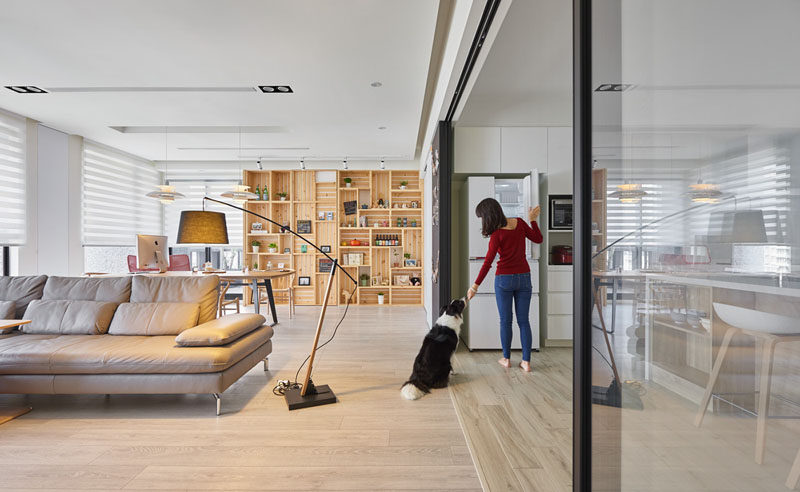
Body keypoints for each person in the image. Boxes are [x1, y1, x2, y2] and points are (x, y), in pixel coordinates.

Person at [466, 199, 543, 372]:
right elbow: (538, 239)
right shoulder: (520, 222)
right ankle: (526, 362)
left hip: (504, 279)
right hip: (524, 277)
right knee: (524, 321)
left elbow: (487, 263)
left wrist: (474, 287)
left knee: (505, 321)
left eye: (482, 217)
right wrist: (533, 220)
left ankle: (506, 359)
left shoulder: (496, 235)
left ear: (488, 216)